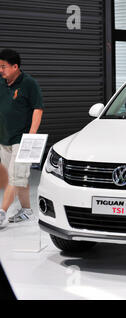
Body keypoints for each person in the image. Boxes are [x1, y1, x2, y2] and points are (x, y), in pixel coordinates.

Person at [0, 49, 44, 225]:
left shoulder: (29, 84)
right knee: (19, 178)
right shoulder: (1, 83)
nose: (0, 70)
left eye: (3, 67)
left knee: (15, 177)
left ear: (15, 66)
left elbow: (38, 109)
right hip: (4, 140)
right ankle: (26, 210)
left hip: (22, 140)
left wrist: (31, 136)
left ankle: (2, 212)